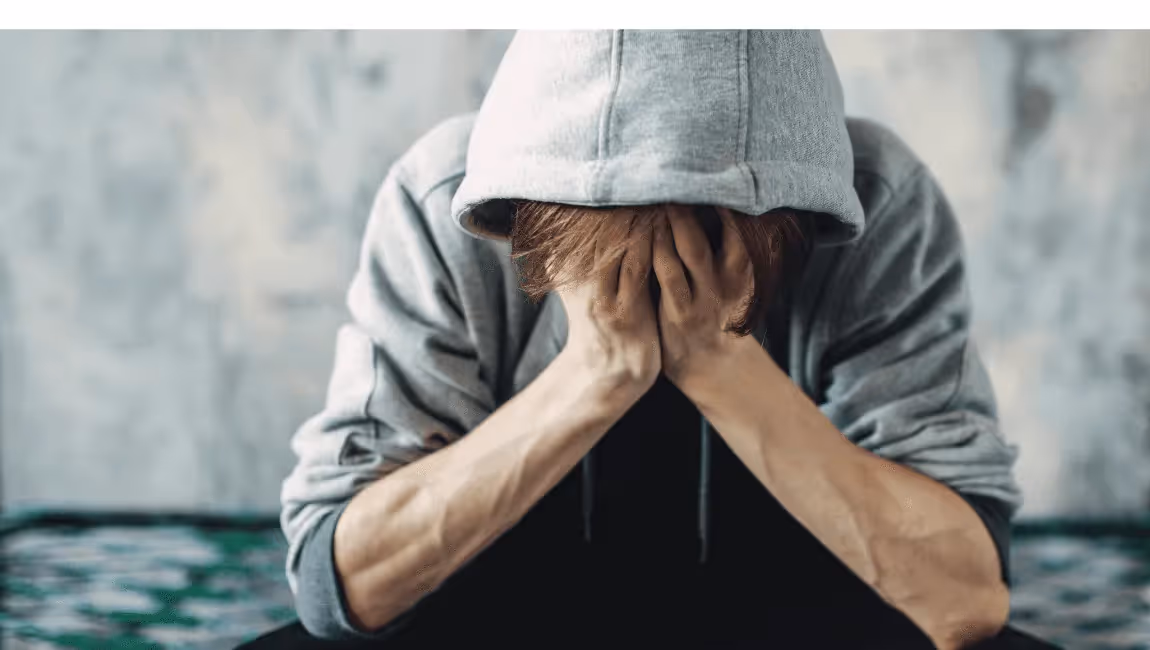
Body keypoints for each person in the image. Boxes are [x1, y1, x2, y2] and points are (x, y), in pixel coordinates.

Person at [244, 30, 1043, 650]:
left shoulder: (881, 204)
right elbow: (337, 586)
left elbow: (966, 601)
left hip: (807, 612)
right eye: (622, 264)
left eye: (702, 247)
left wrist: (721, 363)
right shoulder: (440, 199)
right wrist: (594, 374)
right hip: (500, 613)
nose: (660, 291)